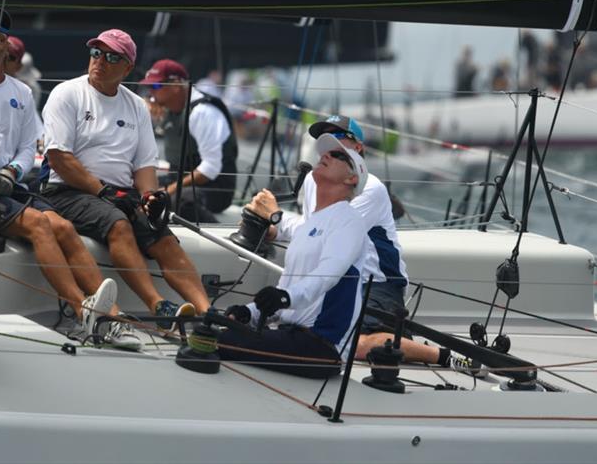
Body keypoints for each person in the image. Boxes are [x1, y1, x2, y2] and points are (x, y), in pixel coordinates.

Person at [0, 8, 138, 349]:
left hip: (8, 188)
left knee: (63, 226)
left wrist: (12, 171)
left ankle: (113, 315)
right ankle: (84, 313)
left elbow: (27, 149)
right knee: (40, 224)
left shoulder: (20, 92)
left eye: (3, 30)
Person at [247, 115, 485, 376]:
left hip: (378, 282)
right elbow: (311, 227)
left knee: (354, 343)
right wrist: (274, 228)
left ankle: (444, 356)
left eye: (337, 137)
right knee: (300, 328)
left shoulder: (368, 188)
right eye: (323, 140)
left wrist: (277, 217)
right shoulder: (317, 180)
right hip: (342, 278)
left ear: (357, 147)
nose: (328, 146)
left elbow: (323, 231)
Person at [41, 28, 210, 320]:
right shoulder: (67, 93)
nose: (100, 60)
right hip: (67, 191)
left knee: (162, 235)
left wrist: (150, 198)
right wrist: (102, 191)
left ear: (128, 67)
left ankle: (208, 313)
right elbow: (59, 158)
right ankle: (159, 305)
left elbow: (144, 165)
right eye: (96, 53)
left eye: (111, 56)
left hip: (118, 194)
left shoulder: (135, 106)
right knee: (118, 224)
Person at [219, 134, 371, 379]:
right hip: (292, 336)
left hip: (321, 346)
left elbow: (328, 274)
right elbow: (286, 290)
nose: (327, 155)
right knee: (216, 327)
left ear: (352, 178)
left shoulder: (349, 221)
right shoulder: (309, 227)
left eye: (338, 155)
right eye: (326, 152)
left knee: (219, 340)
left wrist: (283, 298)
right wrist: (250, 312)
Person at [140, 59, 238, 223]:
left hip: (213, 189)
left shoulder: (202, 113)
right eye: (149, 88)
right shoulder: (168, 107)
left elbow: (210, 168)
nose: (151, 93)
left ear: (176, 85)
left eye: (156, 86)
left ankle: (219, 237)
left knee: (178, 201)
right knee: (135, 187)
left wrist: (169, 190)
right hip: (180, 180)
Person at [5, 35, 43, 106]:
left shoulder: (31, 89)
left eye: (10, 57)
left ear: (18, 66)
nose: (3, 60)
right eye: (1, 54)